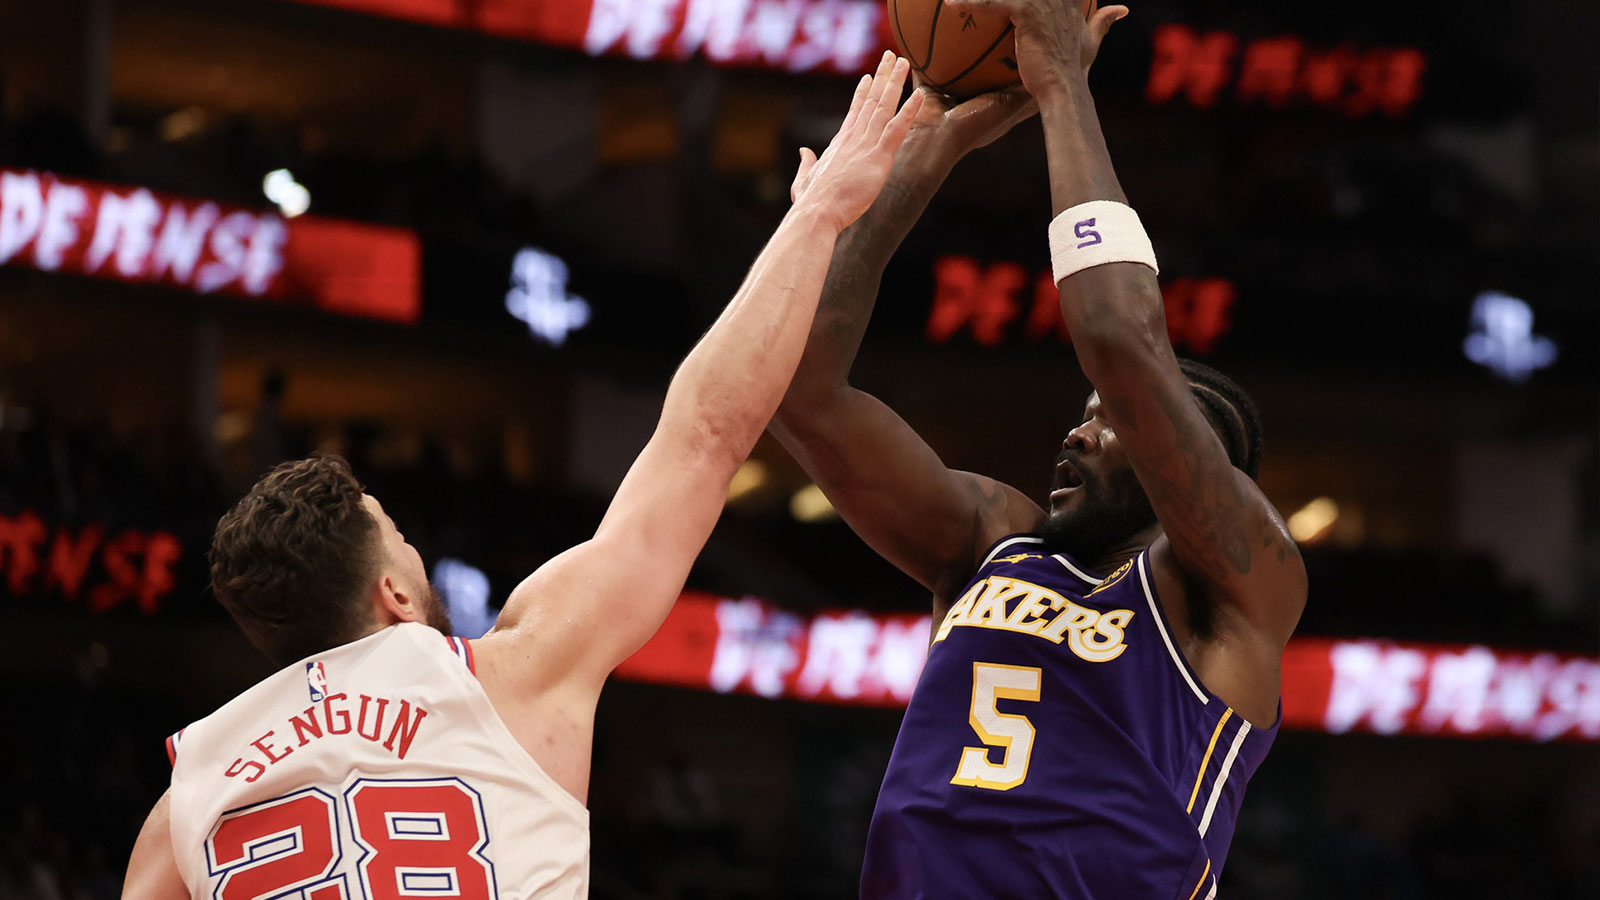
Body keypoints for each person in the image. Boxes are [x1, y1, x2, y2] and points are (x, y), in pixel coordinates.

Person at [121, 55, 926, 900]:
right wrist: (821, 215)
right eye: (404, 541)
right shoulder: (518, 672)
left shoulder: (188, 795)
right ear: (393, 595)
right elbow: (706, 435)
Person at [769, 10, 1308, 900]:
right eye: (1086, 416)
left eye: (1116, 423)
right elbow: (799, 390)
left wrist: (1063, 86)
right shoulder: (992, 543)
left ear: (1198, 462)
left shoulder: (1242, 588)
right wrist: (931, 149)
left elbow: (1119, 340)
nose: (1080, 431)